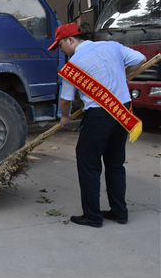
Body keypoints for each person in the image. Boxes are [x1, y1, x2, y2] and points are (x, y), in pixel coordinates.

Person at [48, 23, 146, 228]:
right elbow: (141, 60)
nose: (61, 50)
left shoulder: (73, 66)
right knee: (115, 163)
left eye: (60, 45)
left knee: (89, 164)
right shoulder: (112, 46)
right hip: (122, 112)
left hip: (99, 117)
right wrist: (124, 77)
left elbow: (65, 100)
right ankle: (120, 212)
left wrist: (64, 118)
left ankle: (92, 216)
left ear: (70, 40)